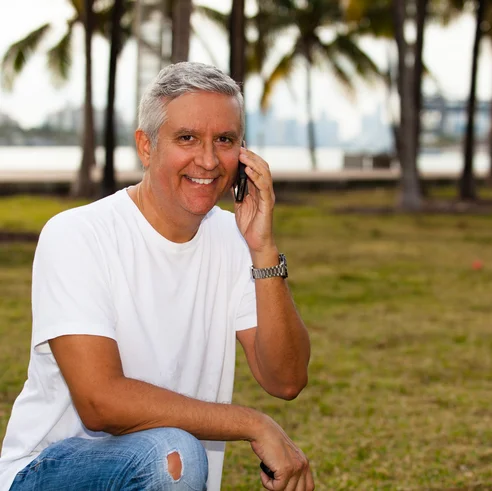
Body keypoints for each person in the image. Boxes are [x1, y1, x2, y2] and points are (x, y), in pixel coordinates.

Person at [0, 62, 314, 491]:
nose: (207, 159)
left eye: (224, 140)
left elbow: (286, 379)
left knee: (172, 454)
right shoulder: (78, 234)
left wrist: (263, 249)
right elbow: (100, 403)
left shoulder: (234, 240)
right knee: (173, 453)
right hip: (48, 472)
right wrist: (253, 423)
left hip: (167, 475)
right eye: (187, 138)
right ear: (146, 147)